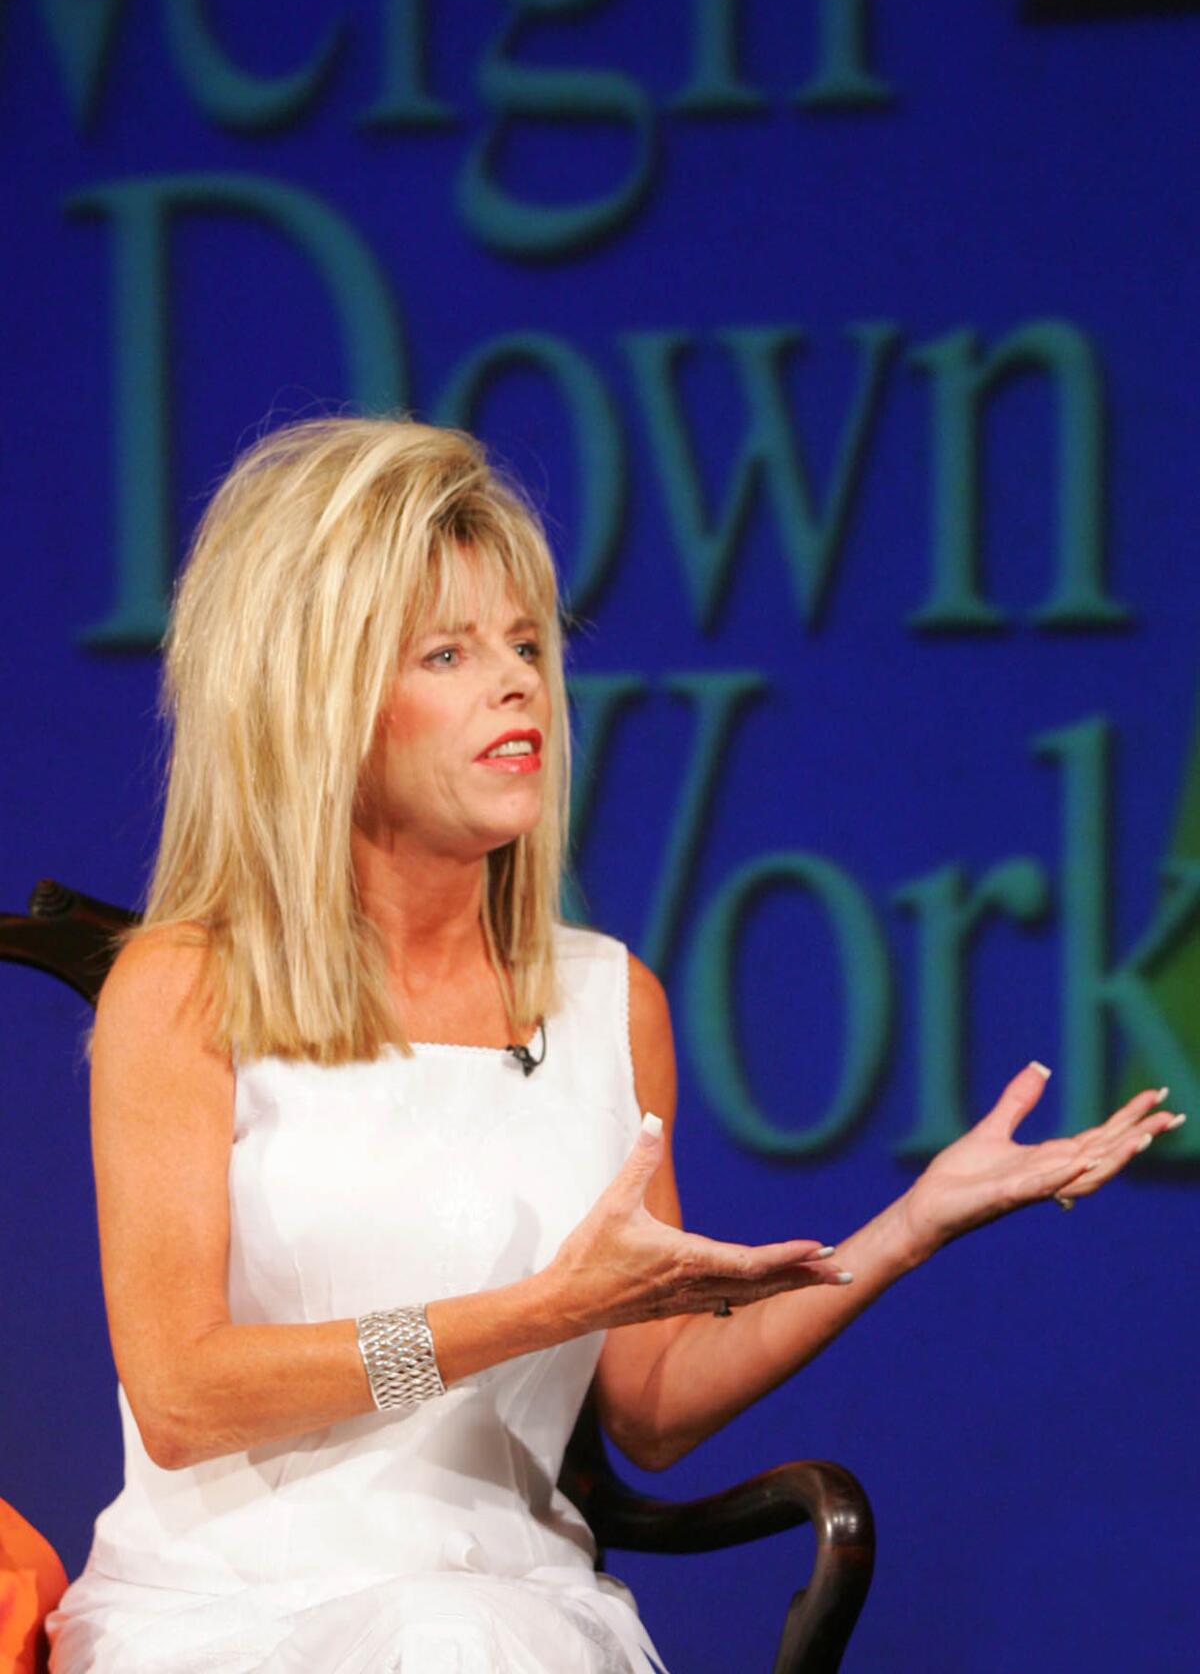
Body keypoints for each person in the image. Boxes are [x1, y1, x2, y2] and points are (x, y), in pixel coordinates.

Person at [44, 413, 1182, 1674]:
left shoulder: (606, 1003)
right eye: (449, 653)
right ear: (317, 704)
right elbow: (184, 1395)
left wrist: (909, 1228)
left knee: (464, 1638)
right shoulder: (188, 987)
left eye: (526, 644)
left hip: (511, 1598)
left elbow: (646, 1410)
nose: (520, 681)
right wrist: (534, 1311)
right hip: (224, 1616)